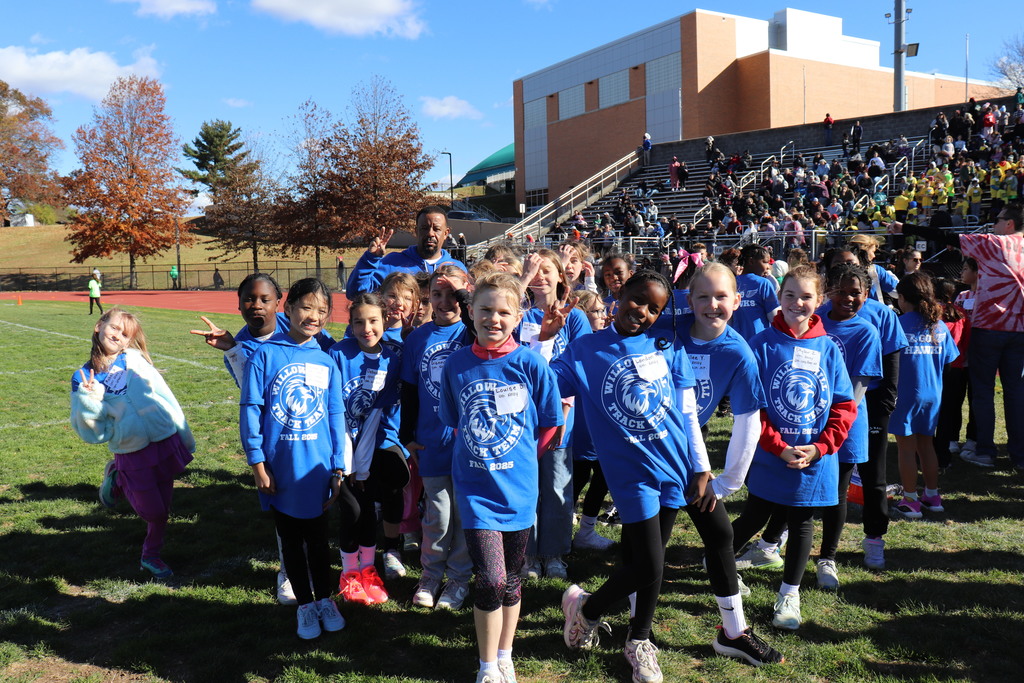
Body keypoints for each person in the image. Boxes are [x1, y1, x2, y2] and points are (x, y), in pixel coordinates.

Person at [553, 271, 784, 681]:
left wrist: (700, 467)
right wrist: (540, 335)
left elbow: (687, 412)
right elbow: (542, 382)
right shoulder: (585, 349)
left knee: (716, 537)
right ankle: (620, 628)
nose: (641, 311)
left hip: (678, 468)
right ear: (618, 294)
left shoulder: (666, 345)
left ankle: (706, 632)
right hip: (633, 476)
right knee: (648, 565)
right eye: (636, 299)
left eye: (653, 307)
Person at [438, 272, 564, 683]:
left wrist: (524, 457)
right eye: (485, 309)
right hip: (475, 492)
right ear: (470, 312)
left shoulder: (532, 365)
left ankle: (505, 653)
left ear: (518, 316)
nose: (494, 318)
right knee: (490, 579)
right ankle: (486, 666)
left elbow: (550, 423)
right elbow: (455, 420)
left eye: (503, 311)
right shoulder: (456, 365)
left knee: (511, 581)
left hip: (520, 492)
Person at [190, 273, 334, 604]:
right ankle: (289, 574)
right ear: (239, 304)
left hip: (312, 438)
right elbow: (252, 398)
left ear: (280, 304)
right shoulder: (243, 342)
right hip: (279, 441)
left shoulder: (302, 326)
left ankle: (322, 574)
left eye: (264, 299)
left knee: (316, 514)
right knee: (286, 512)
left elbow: (329, 364)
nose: (256, 306)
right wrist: (234, 350)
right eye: (249, 299)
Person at [730, 266, 856, 630]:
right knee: (755, 515)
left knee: (802, 522)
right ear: (778, 298)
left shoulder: (829, 348)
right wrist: (778, 446)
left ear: (819, 301)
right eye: (789, 295)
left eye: (805, 297)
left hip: (815, 460)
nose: (797, 303)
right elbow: (751, 406)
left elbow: (844, 405)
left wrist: (819, 447)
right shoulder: (762, 345)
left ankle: (789, 593)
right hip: (772, 456)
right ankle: (719, 559)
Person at [239, 277, 348, 640]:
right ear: (288, 309)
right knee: (291, 544)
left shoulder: (326, 360)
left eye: (321, 310)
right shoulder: (265, 355)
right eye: (306, 307)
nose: (313, 316)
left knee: (318, 543)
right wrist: (257, 462)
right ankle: (305, 605)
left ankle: (325, 600)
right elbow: (251, 409)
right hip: (280, 470)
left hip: (316, 472)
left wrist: (337, 465)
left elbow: (335, 415)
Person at [889, 202, 1024, 469]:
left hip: (988, 327)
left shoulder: (994, 243)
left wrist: (905, 227)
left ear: (1009, 224)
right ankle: (1019, 456)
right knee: (1016, 393)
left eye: (997, 220)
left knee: (983, 392)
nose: (993, 225)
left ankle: (985, 451)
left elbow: (947, 237)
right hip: (1020, 330)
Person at [71, 308, 195, 579]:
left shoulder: (135, 360)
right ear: (98, 326)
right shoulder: (84, 377)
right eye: (114, 328)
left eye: (125, 334)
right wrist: (88, 398)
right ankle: (119, 478)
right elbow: (92, 431)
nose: (118, 335)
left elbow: (164, 395)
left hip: (163, 440)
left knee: (162, 512)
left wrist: (182, 432)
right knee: (152, 511)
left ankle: (150, 556)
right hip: (131, 450)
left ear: (129, 342)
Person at [401, 266, 475, 610]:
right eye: (437, 294)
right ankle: (431, 574)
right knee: (438, 513)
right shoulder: (417, 338)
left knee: (464, 513)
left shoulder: (473, 333)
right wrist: (408, 434)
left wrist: (464, 294)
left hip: (470, 445)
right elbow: (409, 390)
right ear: (426, 298)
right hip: (431, 442)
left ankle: (459, 578)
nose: (445, 302)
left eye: (453, 295)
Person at [329, 294, 410, 604]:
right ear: (350, 324)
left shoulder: (392, 360)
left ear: (385, 320)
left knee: (367, 511)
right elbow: (334, 412)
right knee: (351, 511)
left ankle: (368, 571)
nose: (367, 327)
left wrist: (364, 464)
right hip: (341, 450)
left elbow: (381, 415)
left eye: (373, 320)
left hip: (369, 451)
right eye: (359, 321)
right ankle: (349, 573)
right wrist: (343, 461)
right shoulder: (338, 354)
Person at [516, 249, 590, 579]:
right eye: (535, 270)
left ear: (562, 276)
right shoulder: (519, 314)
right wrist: (521, 280)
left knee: (558, 484)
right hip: (521, 419)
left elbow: (583, 362)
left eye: (548, 270)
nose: (541, 276)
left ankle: (555, 551)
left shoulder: (574, 316)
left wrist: (565, 407)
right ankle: (529, 553)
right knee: (528, 485)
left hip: (562, 416)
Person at [815, 264, 882, 588]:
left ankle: (827, 557)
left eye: (855, 292)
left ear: (866, 295)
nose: (847, 298)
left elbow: (858, 387)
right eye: (840, 291)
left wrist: (830, 419)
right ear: (829, 291)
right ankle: (775, 541)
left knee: (836, 494)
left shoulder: (866, 331)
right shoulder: (816, 321)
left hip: (844, 426)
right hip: (807, 422)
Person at [890, 273, 959, 518]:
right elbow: (950, 361)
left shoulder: (898, 324)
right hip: (933, 394)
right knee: (926, 445)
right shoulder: (938, 325)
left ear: (903, 298)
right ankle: (932, 495)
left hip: (906, 394)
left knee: (906, 449)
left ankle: (910, 500)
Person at [569, 290, 616, 550]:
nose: (603, 315)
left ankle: (587, 529)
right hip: (580, 426)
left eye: (603, 310)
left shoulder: (606, 340)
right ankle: (564, 526)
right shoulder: (579, 345)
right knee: (577, 478)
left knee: (603, 476)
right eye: (596, 311)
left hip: (602, 427)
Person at [346, 205, 468, 297]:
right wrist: (370, 259)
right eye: (424, 228)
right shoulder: (392, 263)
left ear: (446, 233)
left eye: (436, 229)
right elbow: (355, 293)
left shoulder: (456, 268)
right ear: (416, 231)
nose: (430, 233)